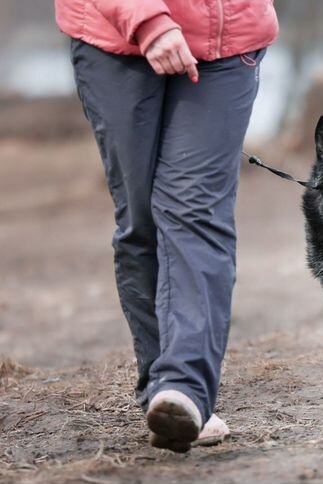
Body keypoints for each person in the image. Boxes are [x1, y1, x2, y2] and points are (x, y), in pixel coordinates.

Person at [54, 0, 279, 453]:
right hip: (116, 41)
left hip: (226, 42)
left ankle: (183, 387)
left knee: (195, 213)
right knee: (141, 221)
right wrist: (150, 21)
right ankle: (161, 387)